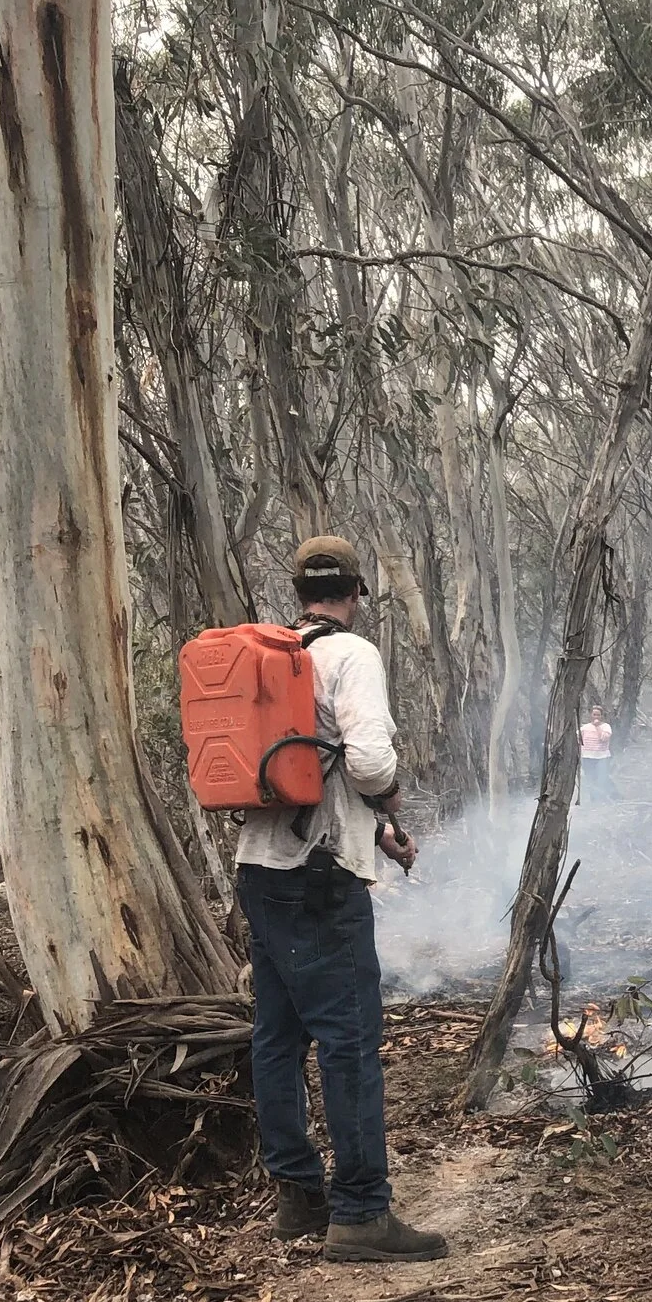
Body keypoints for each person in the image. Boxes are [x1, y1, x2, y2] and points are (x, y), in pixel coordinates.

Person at [234, 536, 444, 1262]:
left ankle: (299, 1196)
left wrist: (379, 830)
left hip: (260, 869)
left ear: (300, 591)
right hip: (319, 879)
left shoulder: (273, 653)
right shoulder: (350, 654)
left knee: (278, 1035)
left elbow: (302, 770)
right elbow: (367, 760)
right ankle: (360, 1213)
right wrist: (388, 795)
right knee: (350, 1041)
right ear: (355, 591)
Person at [578, 703, 616, 802]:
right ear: (591, 715)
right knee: (590, 778)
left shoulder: (606, 727)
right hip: (587, 757)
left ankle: (605, 797)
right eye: (594, 714)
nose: (596, 717)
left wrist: (597, 727)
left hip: (602, 757)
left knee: (602, 778)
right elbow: (577, 739)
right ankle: (594, 799)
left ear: (601, 716)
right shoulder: (584, 728)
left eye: (598, 715)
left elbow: (604, 738)